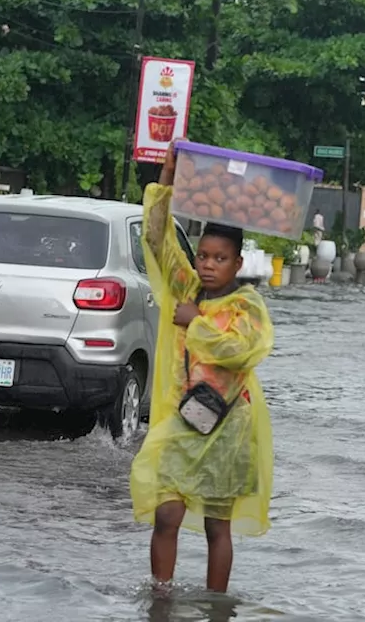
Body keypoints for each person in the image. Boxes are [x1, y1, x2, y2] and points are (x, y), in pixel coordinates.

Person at [130, 140, 276, 593]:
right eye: (204, 256)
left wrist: (196, 325)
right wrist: (167, 176)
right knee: (166, 512)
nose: (209, 265)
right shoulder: (186, 288)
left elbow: (242, 352)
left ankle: (216, 605)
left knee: (218, 527)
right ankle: (160, 596)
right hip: (183, 419)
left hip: (229, 428)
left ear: (237, 262)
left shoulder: (247, 304)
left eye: (220, 259)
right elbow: (157, 238)